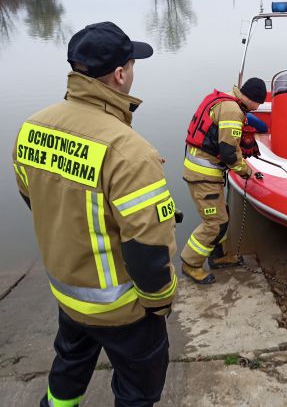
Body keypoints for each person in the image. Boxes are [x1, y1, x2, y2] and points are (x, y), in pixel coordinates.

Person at [12, 22, 178, 406]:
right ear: (120, 75)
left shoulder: (30, 128)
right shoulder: (130, 152)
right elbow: (148, 251)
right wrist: (161, 303)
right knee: (138, 392)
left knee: (68, 371)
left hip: (69, 295)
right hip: (124, 311)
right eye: (132, 66)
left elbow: (35, 199)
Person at [181, 78, 267, 284]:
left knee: (222, 216)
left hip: (204, 172)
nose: (258, 108)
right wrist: (247, 172)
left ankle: (218, 256)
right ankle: (190, 264)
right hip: (203, 176)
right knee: (215, 222)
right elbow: (229, 152)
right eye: (259, 103)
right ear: (252, 99)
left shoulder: (225, 102)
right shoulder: (232, 111)